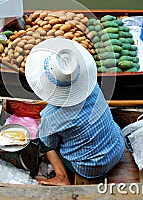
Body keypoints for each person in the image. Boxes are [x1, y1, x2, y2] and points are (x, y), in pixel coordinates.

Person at [24, 38, 125, 185]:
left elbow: (51, 144)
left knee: (42, 138)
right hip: (118, 148)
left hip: (91, 168)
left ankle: (61, 176)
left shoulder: (50, 116)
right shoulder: (93, 87)